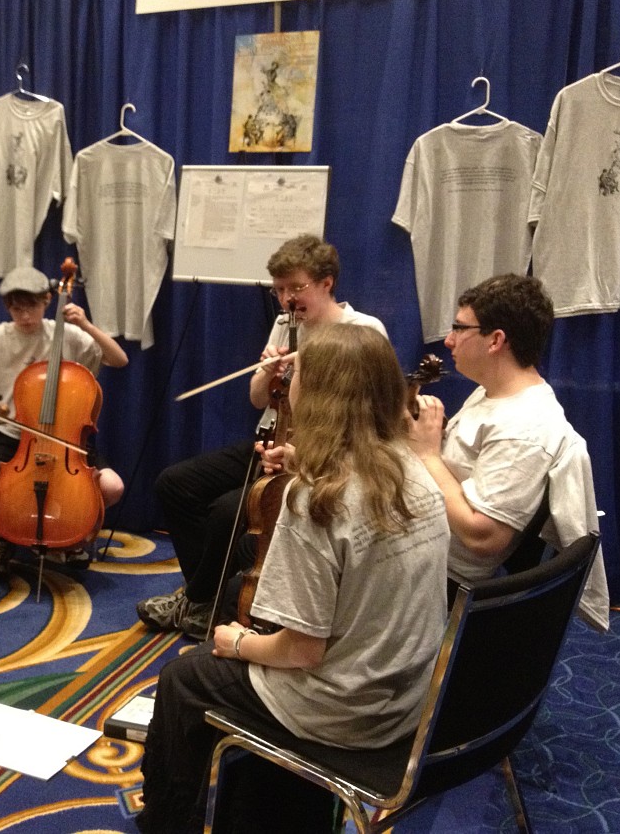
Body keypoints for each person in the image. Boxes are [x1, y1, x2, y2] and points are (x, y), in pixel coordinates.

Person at [137, 325, 450, 833]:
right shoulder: (414, 469)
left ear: (320, 394)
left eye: (298, 373)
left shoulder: (316, 501)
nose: (289, 383)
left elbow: (301, 652)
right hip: (409, 703)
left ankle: (166, 822)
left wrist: (237, 644)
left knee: (184, 677)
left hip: (345, 714)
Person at [137, 235, 387, 639]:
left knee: (226, 512)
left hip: (321, 453)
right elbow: (257, 400)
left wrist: (311, 362)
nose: (287, 299)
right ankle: (209, 599)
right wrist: (269, 373)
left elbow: (367, 409)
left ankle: (201, 599)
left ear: (326, 283)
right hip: (272, 437)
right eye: (280, 290)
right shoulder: (285, 325)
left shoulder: (362, 329)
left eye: (296, 288)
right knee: (175, 484)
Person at [0, 265, 128, 582]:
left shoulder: (69, 336)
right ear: (8, 307)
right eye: (17, 308)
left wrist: (86, 324)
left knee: (112, 487)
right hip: (10, 435)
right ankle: (2, 535)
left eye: (31, 306)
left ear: (47, 300)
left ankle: (73, 538)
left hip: (66, 439)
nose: (25, 315)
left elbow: (118, 359)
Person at [407, 273, 568, 579]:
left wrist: (428, 455)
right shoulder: (491, 389)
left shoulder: (526, 427)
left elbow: (483, 536)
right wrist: (431, 436)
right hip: (420, 540)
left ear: (496, 340)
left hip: (437, 574)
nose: (448, 340)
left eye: (459, 329)